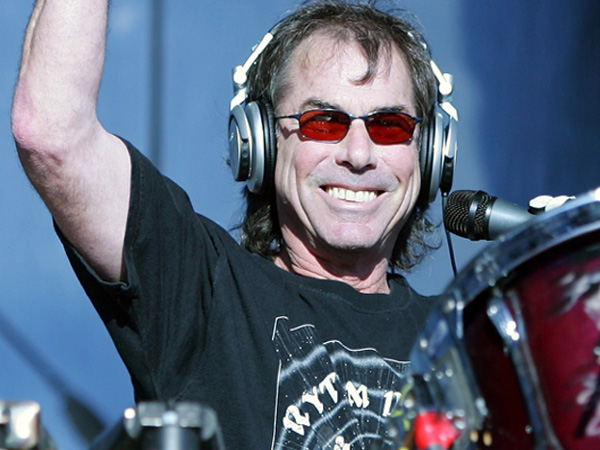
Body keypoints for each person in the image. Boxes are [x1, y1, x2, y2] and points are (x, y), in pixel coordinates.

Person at [11, 0, 450, 448]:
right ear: (258, 143)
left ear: (431, 152)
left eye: (390, 126)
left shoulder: (464, 341)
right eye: (323, 122)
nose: (358, 154)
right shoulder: (203, 291)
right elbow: (54, 135)